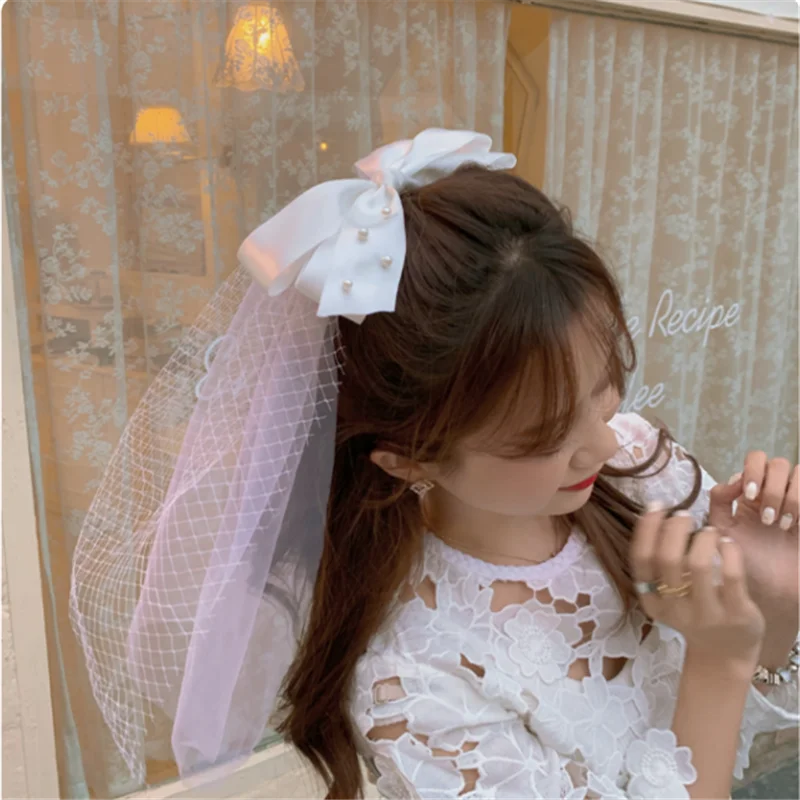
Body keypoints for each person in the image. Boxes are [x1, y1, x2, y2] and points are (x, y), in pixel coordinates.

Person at [71, 129, 799, 800]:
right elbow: (718, 692)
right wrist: (719, 659)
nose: (606, 444)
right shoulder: (414, 678)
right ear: (409, 458)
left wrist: (775, 596)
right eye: (546, 435)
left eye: (604, 390)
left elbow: (751, 708)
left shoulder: (642, 470)